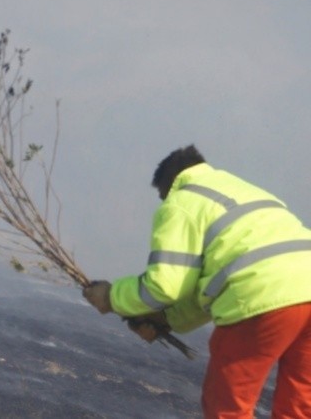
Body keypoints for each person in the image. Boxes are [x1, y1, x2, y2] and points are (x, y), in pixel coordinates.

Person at [82, 145, 311, 418]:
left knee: (227, 407)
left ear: (169, 184)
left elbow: (164, 286)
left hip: (261, 295)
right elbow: (209, 288)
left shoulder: (181, 201)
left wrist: (111, 297)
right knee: (299, 406)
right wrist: (165, 320)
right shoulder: (247, 192)